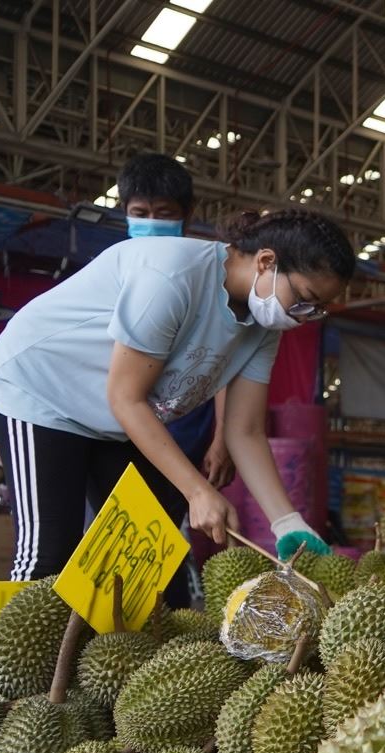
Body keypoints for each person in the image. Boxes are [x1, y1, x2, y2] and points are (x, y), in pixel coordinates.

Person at [0, 209, 346, 583]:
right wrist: (198, 492)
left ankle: (92, 641)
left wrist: (287, 523)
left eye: (316, 310)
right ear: (266, 261)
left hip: (111, 419)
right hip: (43, 390)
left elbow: (244, 430)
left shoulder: (264, 324)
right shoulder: (173, 274)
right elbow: (125, 397)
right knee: (48, 554)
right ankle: (1, 644)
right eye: (304, 300)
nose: (303, 317)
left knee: (140, 553)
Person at [116, 152, 233, 607]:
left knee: (166, 533)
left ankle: (172, 625)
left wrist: (221, 436)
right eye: (140, 214)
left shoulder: (201, 274)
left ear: (186, 215)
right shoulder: (118, 265)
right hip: (121, 425)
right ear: (124, 212)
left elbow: (222, 361)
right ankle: (130, 632)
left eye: (163, 215)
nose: (151, 223)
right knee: (123, 537)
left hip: (184, 429)